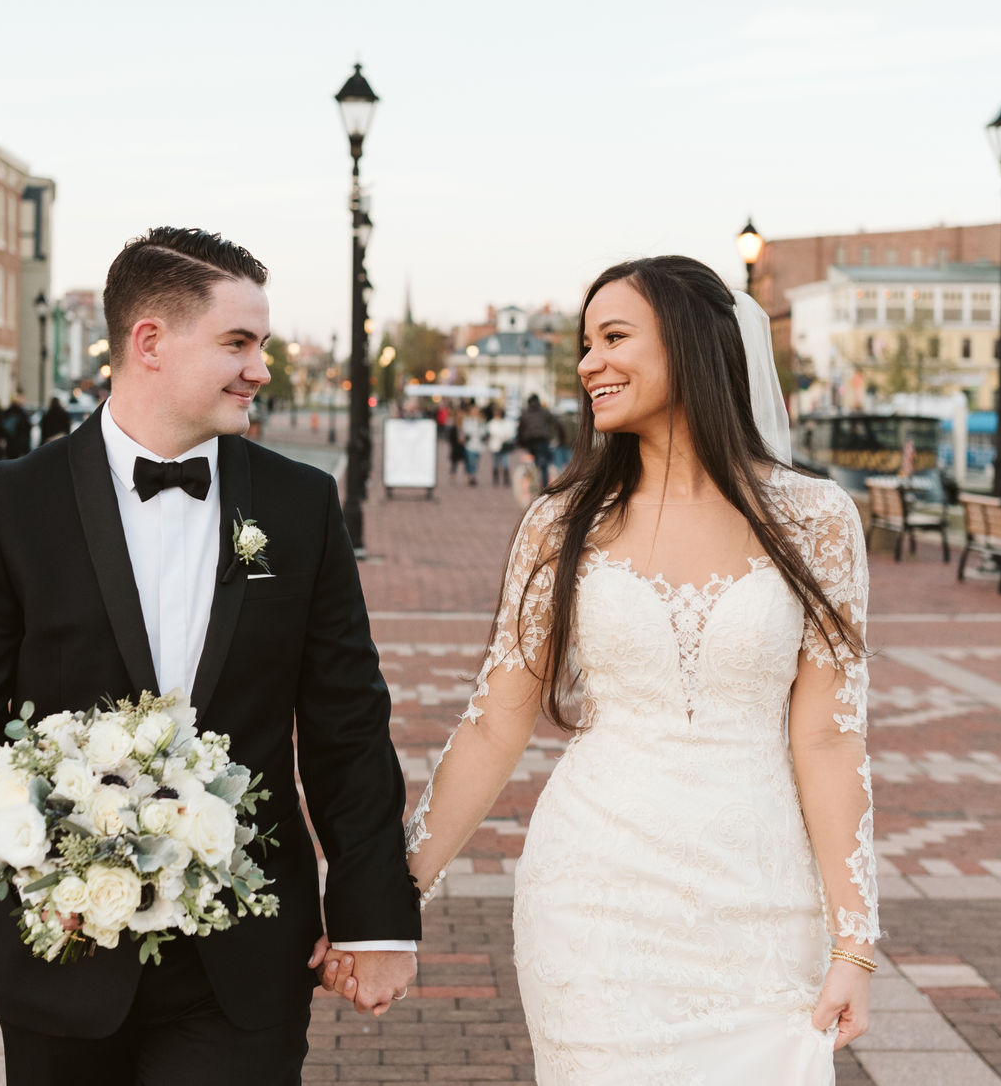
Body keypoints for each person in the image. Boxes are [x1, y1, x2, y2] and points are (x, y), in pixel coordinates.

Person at [324, 255, 876, 1083]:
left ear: (690, 346)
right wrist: (387, 900)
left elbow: (829, 739)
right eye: (586, 344)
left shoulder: (816, 520)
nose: (589, 364)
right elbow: (495, 718)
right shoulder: (561, 522)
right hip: (594, 893)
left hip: (763, 898)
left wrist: (854, 940)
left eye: (614, 337)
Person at [0, 228, 418, 1086]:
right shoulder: (8, 505)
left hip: (243, 957)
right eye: (238, 343)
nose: (262, 367)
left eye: (261, 344)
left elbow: (346, 725)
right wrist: (54, 849)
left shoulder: (297, 504)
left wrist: (375, 918)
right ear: (149, 341)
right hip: (61, 951)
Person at [516, 394, 556, 489]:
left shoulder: (525, 413)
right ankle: (544, 488)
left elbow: (520, 430)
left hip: (529, 441)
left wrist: (520, 443)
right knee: (544, 465)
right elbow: (555, 423)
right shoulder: (544, 412)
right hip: (542, 440)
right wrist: (554, 435)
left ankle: (532, 480)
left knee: (532, 462)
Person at [3, 391, 34, 460]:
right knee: (18, 460)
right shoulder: (21, 412)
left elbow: (2, 426)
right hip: (19, 440)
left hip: (10, 439)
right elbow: (27, 426)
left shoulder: (6, 412)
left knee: (10, 459)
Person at [459, 407, 485, 486]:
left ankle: (472, 474)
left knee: (475, 461)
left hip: (478, 445)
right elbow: (466, 430)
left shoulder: (481, 420)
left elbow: (483, 431)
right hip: (469, 444)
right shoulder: (467, 420)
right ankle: (471, 475)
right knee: (470, 461)